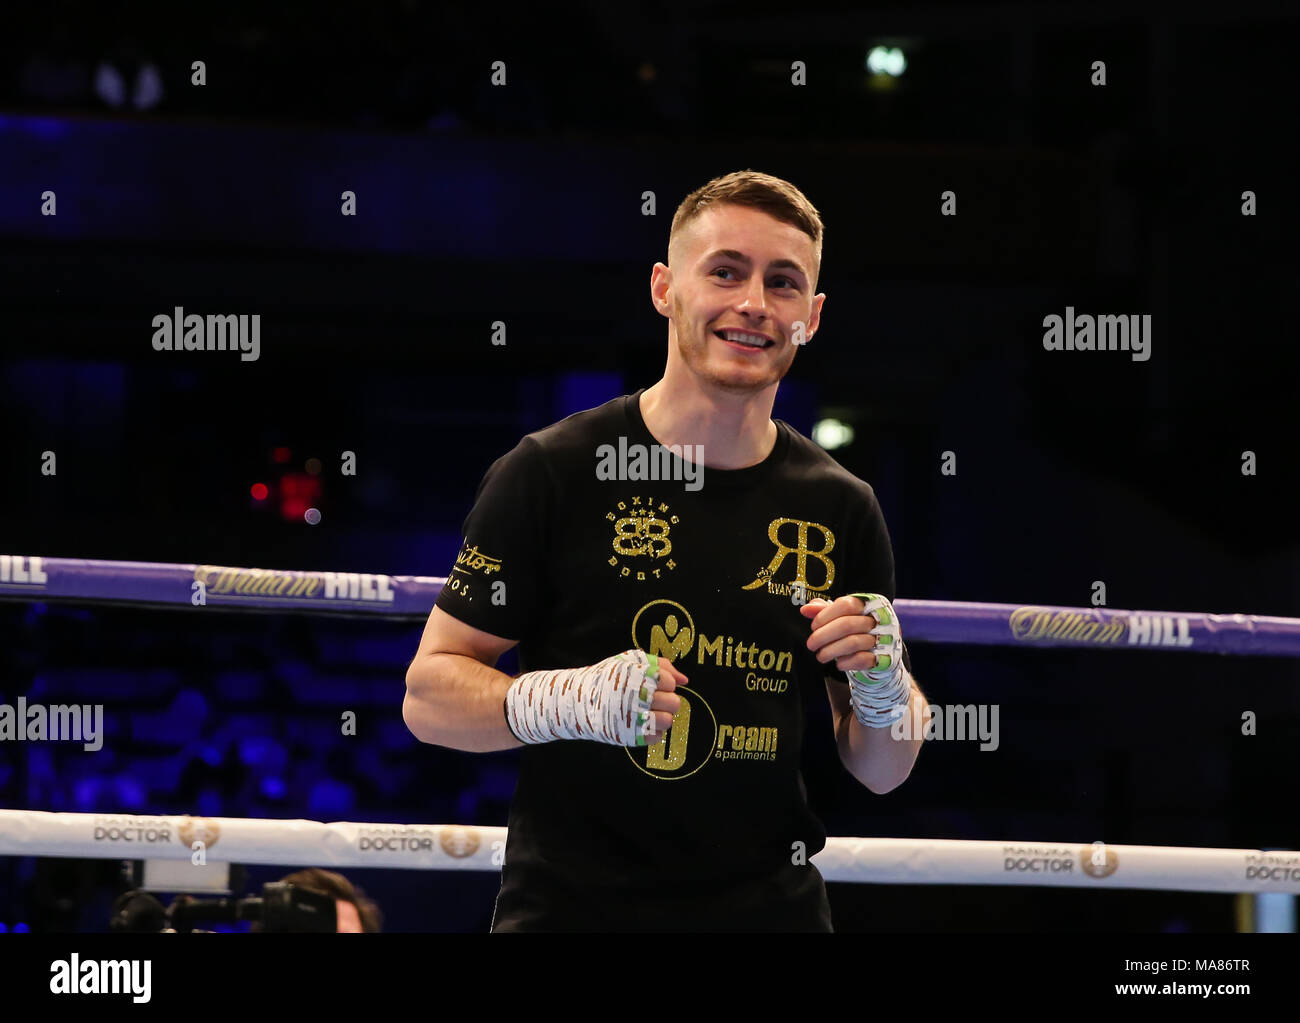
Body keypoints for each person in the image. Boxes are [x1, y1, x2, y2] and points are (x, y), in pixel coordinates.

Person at [404, 169, 929, 932]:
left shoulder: (840, 504)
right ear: (664, 288)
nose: (754, 302)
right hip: (573, 911)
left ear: (810, 315)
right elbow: (427, 695)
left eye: (782, 284)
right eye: (725, 271)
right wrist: (560, 699)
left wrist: (888, 687)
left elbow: (882, 769)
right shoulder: (553, 470)